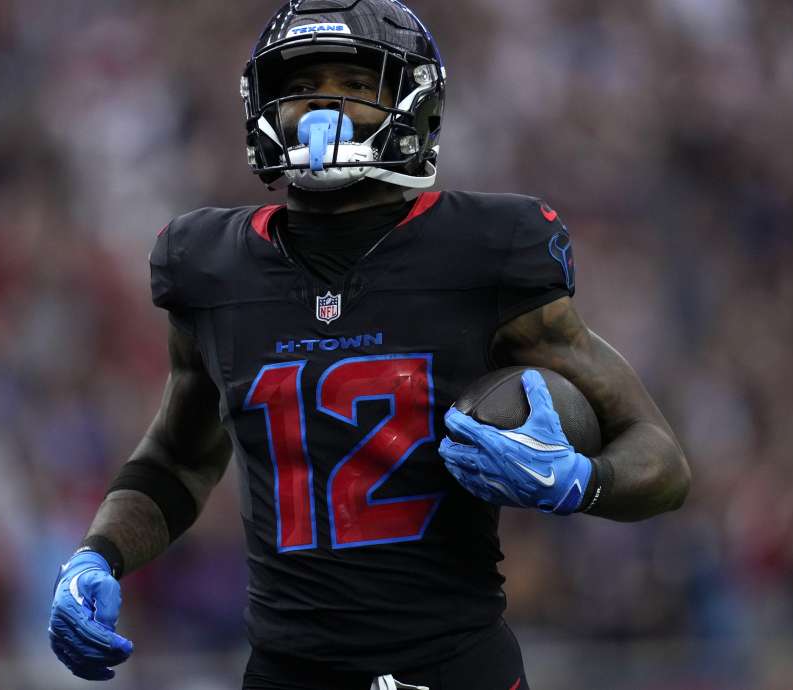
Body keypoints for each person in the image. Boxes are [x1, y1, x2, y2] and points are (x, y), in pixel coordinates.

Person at [47, 1, 690, 688]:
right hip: (290, 676)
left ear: (415, 101)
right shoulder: (209, 265)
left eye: (355, 84)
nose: (324, 105)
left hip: (454, 669)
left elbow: (661, 460)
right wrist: (97, 555)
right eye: (303, 85)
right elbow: (178, 460)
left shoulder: (487, 250)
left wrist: (582, 481)